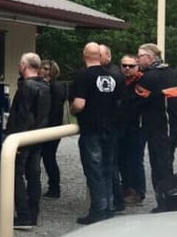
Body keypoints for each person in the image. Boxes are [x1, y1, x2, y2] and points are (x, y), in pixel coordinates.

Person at [70, 42, 124, 224]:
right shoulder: (112, 76)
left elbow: (79, 104)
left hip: (91, 129)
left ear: (84, 55)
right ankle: (109, 208)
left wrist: (72, 110)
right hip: (111, 129)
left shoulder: (82, 76)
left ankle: (97, 211)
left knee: (94, 171)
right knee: (108, 170)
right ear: (99, 56)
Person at [133, 43, 177, 207]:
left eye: (139, 56)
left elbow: (134, 102)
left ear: (149, 57)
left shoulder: (150, 77)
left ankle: (165, 204)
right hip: (174, 127)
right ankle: (168, 200)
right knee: (167, 163)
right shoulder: (176, 74)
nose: (137, 59)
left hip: (159, 127)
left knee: (160, 167)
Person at [8, 53, 50, 230]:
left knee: (15, 174)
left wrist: (15, 140)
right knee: (34, 174)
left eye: (20, 63)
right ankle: (33, 213)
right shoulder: (46, 86)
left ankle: (23, 214)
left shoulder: (25, 87)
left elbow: (23, 116)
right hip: (39, 136)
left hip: (23, 136)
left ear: (24, 66)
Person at [117, 54, 147, 206]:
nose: (127, 68)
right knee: (121, 158)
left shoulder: (143, 81)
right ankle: (127, 188)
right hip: (122, 125)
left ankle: (139, 191)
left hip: (137, 126)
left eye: (131, 66)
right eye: (124, 65)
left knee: (136, 159)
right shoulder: (120, 81)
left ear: (138, 67)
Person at [39, 59, 66, 199]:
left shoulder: (55, 86)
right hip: (49, 126)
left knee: (49, 157)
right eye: (42, 68)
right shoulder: (47, 85)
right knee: (47, 157)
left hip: (52, 126)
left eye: (46, 69)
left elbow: (55, 109)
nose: (43, 71)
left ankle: (54, 188)